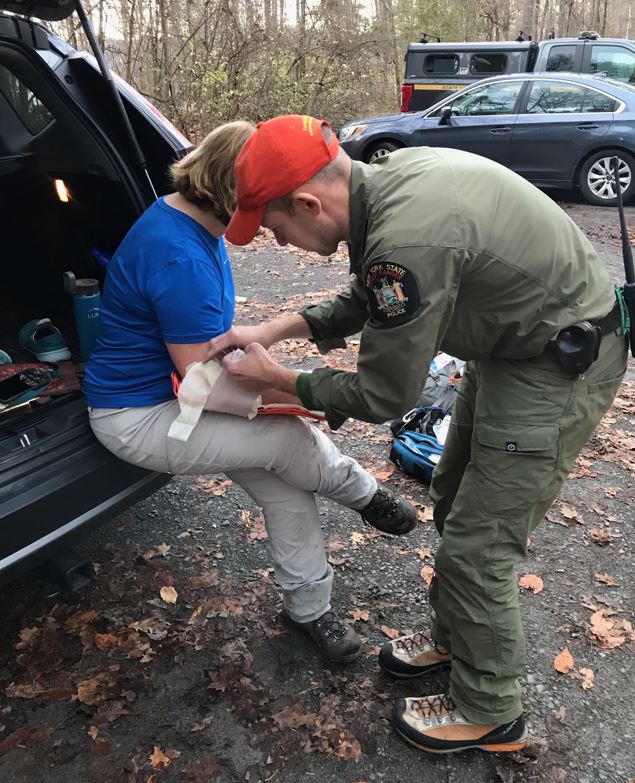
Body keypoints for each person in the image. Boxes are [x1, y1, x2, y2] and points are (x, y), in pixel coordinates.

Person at [208, 114, 629, 754]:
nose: (283, 242)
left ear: (307, 203)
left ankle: (491, 711)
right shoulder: (388, 185)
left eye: (275, 227)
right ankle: (455, 638)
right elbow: (372, 296)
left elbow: (385, 394)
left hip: (558, 363)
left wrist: (284, 380)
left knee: (478, 546)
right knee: (454, 493)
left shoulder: (407, 239)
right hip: (517, 345)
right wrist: (276, 329)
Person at [82, 121, 417, 664]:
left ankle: (310, 609)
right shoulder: (181, 256)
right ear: (235, 192)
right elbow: (203, 379)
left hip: (173, 397)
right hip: (139, 414)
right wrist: (296, 395)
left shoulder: (186, 220)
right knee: (286, 441)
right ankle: (364, 495)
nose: (267, 228)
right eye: (264, 208)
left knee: (283, 481)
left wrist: (277, 385)